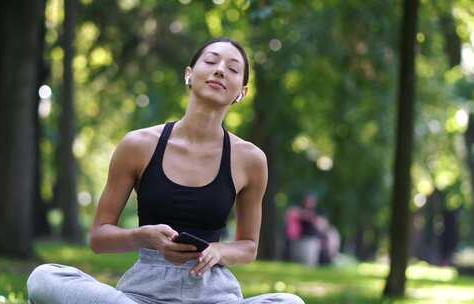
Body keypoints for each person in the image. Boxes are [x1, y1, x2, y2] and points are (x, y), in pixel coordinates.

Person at [27, 37, 304, 304]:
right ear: (189, 73)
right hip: (142, 295)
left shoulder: (250, 159)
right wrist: (143, 236)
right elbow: (99, 238)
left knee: (289, 301)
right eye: (210, 61)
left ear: (241, 93)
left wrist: (219, 250)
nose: (220, 70)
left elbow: (248, 246)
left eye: (232, 69)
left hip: (214, 295)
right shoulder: (138, 145)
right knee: (44, 277)